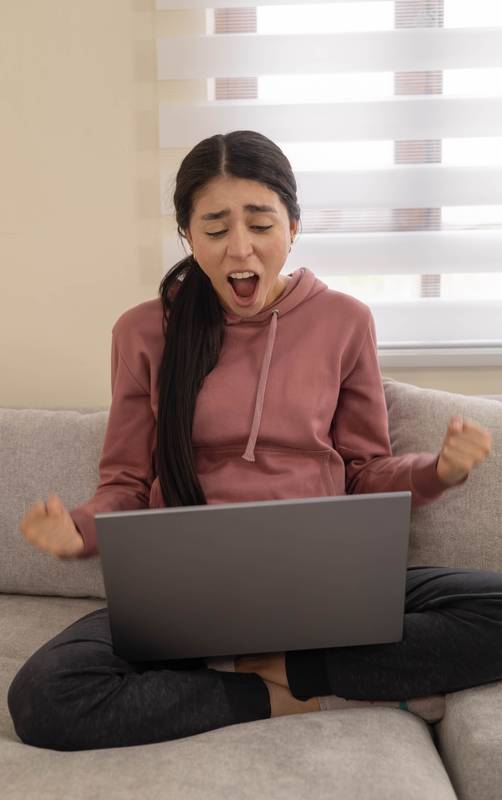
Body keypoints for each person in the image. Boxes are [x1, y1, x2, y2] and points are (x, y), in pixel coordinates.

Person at [8, 130, 500, 752]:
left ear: (294, 226)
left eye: (260, 224)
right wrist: (79, 531)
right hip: (189, 590)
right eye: (214, 230)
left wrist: (438, 472)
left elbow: (365, 469)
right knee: (44, 695)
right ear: (187, 236)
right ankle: (286, 694)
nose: (239, 248)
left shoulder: (344, 321)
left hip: (326, 578)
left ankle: (292, 668)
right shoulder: (143, 332)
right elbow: (126, 485)